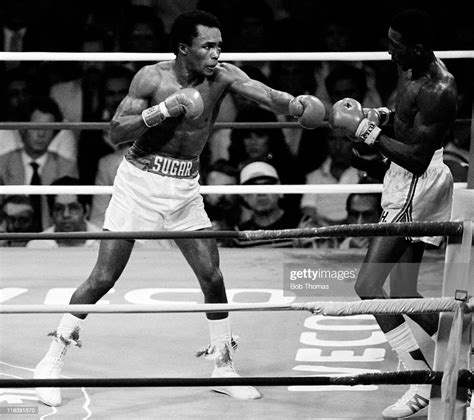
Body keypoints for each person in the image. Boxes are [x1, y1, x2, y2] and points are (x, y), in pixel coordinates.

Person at [34, 9, 325, 407]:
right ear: (183, 48)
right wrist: (163, 111)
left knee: (212, 276)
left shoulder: (222, 76)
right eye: (208, 46)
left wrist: (298, 105)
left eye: (219, 46)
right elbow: (116, 132)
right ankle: (50, 362)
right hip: (139, 182)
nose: (215, 54)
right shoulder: (151, 78)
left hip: (184, 187)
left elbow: (265, 94)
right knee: (103, 277)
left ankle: (223, 366)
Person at [329, 9, 456, 418]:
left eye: (396, 47)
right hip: (406, 179)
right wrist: (376, 117)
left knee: (367, 287)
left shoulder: (439, 87)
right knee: (403, 291)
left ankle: (417, 377)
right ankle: (466, 348)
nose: (389, 52)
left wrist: (365, 132)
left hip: (416, 184)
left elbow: (418, 158)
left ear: (418, 48)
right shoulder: (409, 66)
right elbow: (404, 117)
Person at [0, 96, 78, 231]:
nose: (41, 133)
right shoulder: (2, 162)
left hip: (51, 242)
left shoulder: (66, 166)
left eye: (48, 128)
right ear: (21, 129)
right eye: (35, 127)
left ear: (55, 132)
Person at [234, 160, 301, 248]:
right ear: (243, 196)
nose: (261, 193)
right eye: (253, 188)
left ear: (280, 190)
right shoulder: (239, 234)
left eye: (267, 186)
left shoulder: (303, 226)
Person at [27, 176, 101, 248]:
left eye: (73, 208)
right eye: (59, 208)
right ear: (51, 212)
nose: (66, 214)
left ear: (86, 210)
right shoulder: (38, 245)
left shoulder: (103, 241)